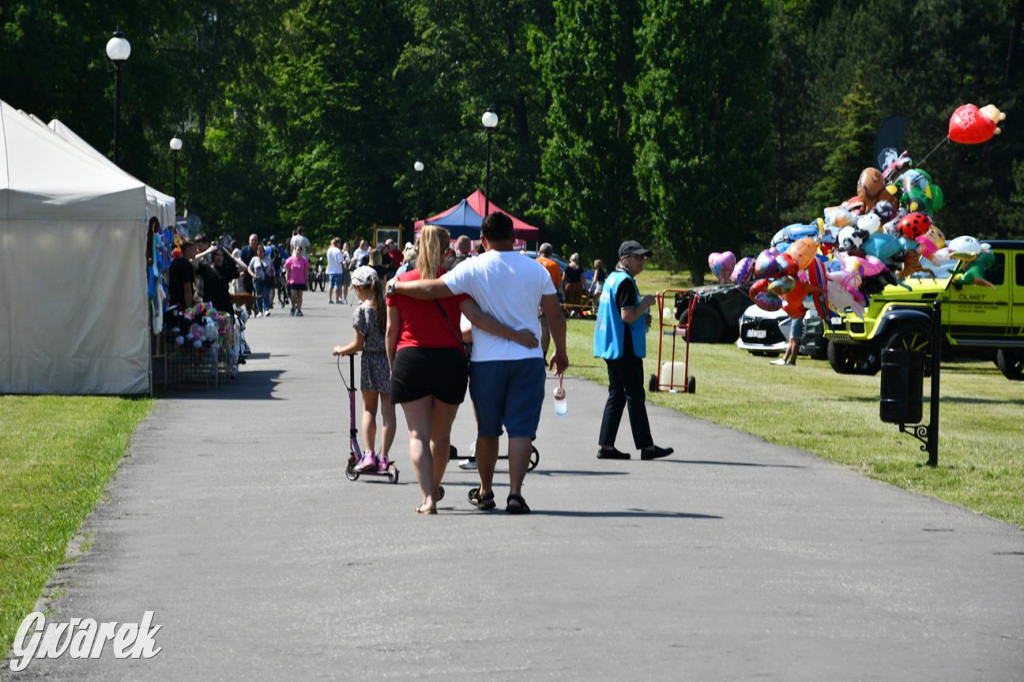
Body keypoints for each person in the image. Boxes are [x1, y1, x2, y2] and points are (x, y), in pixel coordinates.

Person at [391, 213, 568, 515]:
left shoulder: (472, 267)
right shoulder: (537, 269)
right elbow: (555, 316)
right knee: (521, 431)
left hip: (487, 361)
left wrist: (397, 287)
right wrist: (560, 352)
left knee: (488, 430)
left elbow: (431, 289)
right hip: (527, 358)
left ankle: (485, 491)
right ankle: (515, 494)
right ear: (514, 238)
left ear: (482, 240)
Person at [593, 240, 674, 461]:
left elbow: (621, 313)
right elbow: (627, 315)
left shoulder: (612, 278)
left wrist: (641, 317)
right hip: (625, 347)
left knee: (617, 394)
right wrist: (645, 303)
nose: (642, 261)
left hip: (612, 345)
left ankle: (606, 445)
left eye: (643, 257)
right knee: (635, 395)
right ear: (624, 259)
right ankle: (647, 447)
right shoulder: (626, 282)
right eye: (637, 257)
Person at [334, 266, 396, 476]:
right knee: (388, 411)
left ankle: (368, 454)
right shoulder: (387, 307)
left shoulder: (361, 311)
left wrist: (341, 350)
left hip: (370, 362)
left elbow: (358, 344)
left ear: (359, 287)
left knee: (369, 409)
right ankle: (384, 456)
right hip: (388, 361)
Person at [536, 242, 564, 362]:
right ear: (550, 253)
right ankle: (543, 355)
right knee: (545, 328)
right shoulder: (554, 265)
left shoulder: (534, 262)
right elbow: (559, 285)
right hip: (547, 299)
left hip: (533, 298)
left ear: (540, 252)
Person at [168, 239, 196, 309]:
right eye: (195, 249)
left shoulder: (174, 262)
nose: (196, 251)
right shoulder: (186, 265)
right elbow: (187, 290)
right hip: (182, 305)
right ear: (188, 249)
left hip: (173, 304)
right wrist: (189, 310)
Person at [282, 246, 310, 316]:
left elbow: (306, 271)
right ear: (294, 251)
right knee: (293, 296)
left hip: (301, 280)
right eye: (296, 250)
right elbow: (288, 271)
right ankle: (293, 307)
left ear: (301, 251)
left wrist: (306, 280)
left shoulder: (304, 260)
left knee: (300, 295)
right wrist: (287, 279)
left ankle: (299, 309)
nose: (298, 252)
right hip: (293, 280)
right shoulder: (290, 260)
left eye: (299, 250)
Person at [249, 244, 272, 316]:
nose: (260, 253)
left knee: (266, 294)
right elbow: (249, 268)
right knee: (258, 295)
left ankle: (266, 309)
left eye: (261, 251)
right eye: (258, 251)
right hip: (257, 279)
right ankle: (260, 311)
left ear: (264, 252)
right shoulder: (254, 259)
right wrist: (253, 275)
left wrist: (273, 276)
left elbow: (272, 268)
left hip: (266, 279)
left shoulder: (268, 259)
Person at [563, 253, 585, 318]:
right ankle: (576, 313)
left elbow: (563, 278)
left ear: (570, 259)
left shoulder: (567, 267)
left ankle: (570, 312)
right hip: (578, 285)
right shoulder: (580, 267)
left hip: (570, 285)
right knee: (577, 300)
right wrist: (586, 288)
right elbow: (583, 279)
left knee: (569, 300)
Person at [327, 237, 346, 304]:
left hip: (330, 270)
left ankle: (330, 298)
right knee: (338, 286)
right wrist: (344, 258)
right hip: (337, 270)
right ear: (337, 243)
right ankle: (337, 299)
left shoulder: (329, 250)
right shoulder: (338, 251)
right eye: (339, 243)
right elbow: (340, 261)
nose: (340, 244)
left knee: (331, 285)